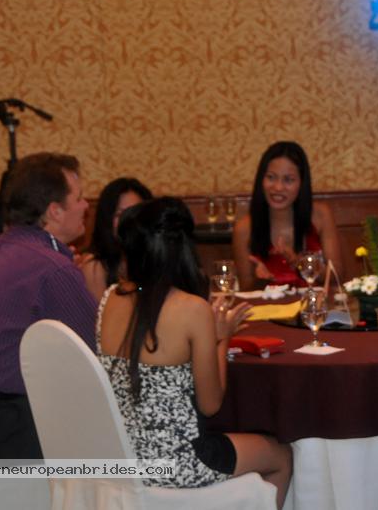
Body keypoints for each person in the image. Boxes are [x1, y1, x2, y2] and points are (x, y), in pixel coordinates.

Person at [98, 197, 291, 507]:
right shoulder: (192, 309)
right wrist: (221, 338)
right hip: (178, 462)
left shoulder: (110, 298)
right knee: (281, 456)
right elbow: (211, 404)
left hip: (121, 457)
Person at [0, 152, 97, 459]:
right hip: (5, 430)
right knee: (130, 450)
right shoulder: (52, 268)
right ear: (54, 211)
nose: (86, 205)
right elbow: (95, 354)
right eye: (79, 198)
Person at [233, 141, 342, 290]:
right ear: (261, 180)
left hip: (312, 303)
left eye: (288, 180)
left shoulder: (320, 214)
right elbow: (246, 289)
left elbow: (336, 275)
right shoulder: (244, 228)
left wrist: (300, 264)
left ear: (301, 183)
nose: (278, 187)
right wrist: (261, 281)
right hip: (267, 305)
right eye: (271, 177)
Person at [80, 177, 153, 300]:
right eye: (120, 214)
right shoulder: (96, 267)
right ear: (107, 220)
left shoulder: (155, 260)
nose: (129, 221)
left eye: (136, 213)